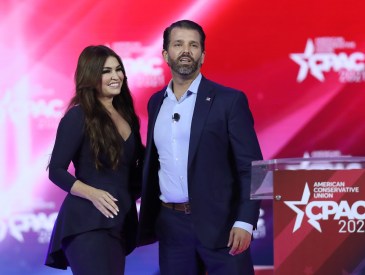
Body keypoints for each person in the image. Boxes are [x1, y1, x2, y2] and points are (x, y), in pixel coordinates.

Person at [138, 20, 263, 275]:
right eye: (178, 44)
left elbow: (253, 168)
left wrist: (246, 221)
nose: (186, 50)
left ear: (202, 55)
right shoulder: (155, 103)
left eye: (193, 45)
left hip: (224, 227)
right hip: (171, 228)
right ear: (165, 54)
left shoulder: (229, 100)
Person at [45, 45, 144, 275]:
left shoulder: (128, 117)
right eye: (106, 71)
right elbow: (56, 170)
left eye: (118, 69)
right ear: (90, 76)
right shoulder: (79, 115)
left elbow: (131, 173)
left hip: (117, 224)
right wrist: (93, 193)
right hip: (86, 224)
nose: (115, 76)